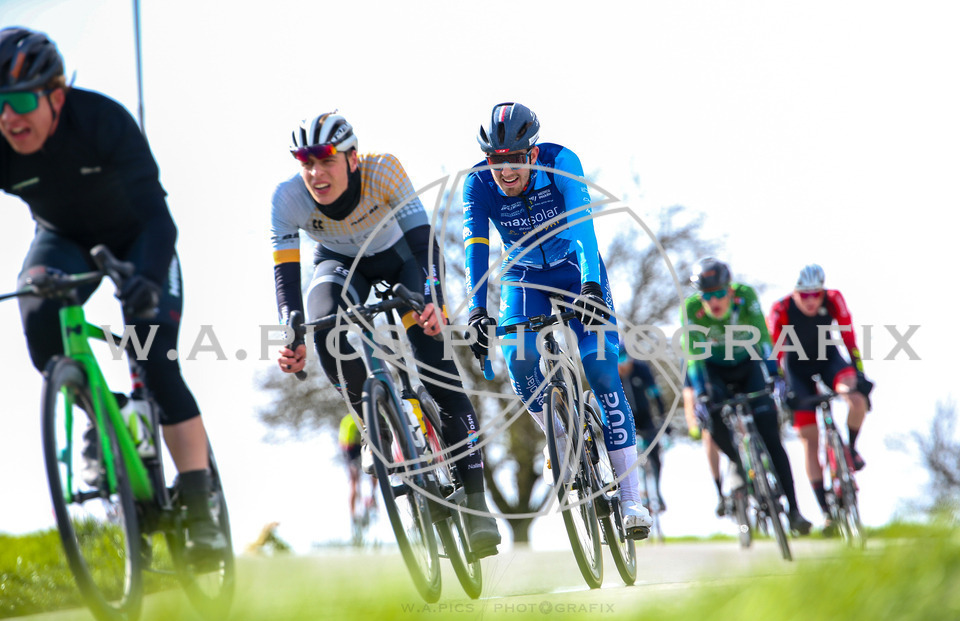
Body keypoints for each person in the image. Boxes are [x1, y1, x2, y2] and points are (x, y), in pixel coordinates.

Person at [0, 27, 226, 560]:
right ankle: (105, 418)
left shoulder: (102, 121)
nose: (9, 118)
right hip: (63, 241)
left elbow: (158, 219)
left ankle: (199, 505)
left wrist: (147, 278)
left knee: (156, 360)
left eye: (21, 102)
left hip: (138, 241)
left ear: (56, 96)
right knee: (39, 323)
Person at [271, 111, 501, 557]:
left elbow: (424, 243)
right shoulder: (288, 198)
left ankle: (476, 504)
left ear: (352, 158)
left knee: (436, 368)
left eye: (326, 160)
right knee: (324, 331)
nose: (316, 173)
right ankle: (372, 422)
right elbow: (286, 280)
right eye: (306, 163)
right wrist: (291, 336)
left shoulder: (384, 170)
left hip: (403, 261)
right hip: (340, 266)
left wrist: (433, 302)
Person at [463, 101, 652, 537]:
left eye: (515, 159)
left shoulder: (561, 162)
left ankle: (631, 499)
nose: (505, 171)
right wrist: (476, 309)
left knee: (601, 370)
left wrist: (590, 285)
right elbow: (475, 246)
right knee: (519, 357)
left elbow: (583, 228)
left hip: (575, 269)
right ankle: (559, 437)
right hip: (523, 276)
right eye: (495, 160)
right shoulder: (478, 184)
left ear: (532, 153)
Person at [681, 257, 812, 534]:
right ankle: (738, 463)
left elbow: (763, 339)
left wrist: (774, 375)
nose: (714, 301)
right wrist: (701, 394)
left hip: (747, 364)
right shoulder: (691, 309)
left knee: (772, 437)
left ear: (730, 290)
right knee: (713, 421)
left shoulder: (746, 296)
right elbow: (694, 357)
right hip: (714, 370)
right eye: (707, 296)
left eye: (719, 293)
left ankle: (794, 511)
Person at [768, 263, 872, 534]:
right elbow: (775, 353)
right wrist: (781, 386)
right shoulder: (780, 309)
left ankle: (850, 449)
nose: (812, 300)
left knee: (856, 399)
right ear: (794, 293)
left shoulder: (834, 299)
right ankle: (827, 513)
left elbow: (849, 338)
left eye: (817, 294)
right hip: (797, 370)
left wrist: (859, 371)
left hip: (828, 360)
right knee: (809, 439)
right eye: (805, 295)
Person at [617, 351, 670, 513]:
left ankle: (657, 492)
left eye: (626, 361)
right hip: (625, 420)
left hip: (645, 417)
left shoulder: (641, 369)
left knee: (655, 453)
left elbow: (656, 394)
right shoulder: (613, 374)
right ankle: (634, 493)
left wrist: (663, 419)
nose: (624, 367)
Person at [682, 369, 727, 516]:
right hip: (708, 403)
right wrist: (692, 423)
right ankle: (720, 491)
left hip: (726, 393)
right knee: (708, 438)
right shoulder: (688, 360)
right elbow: (688, 394)